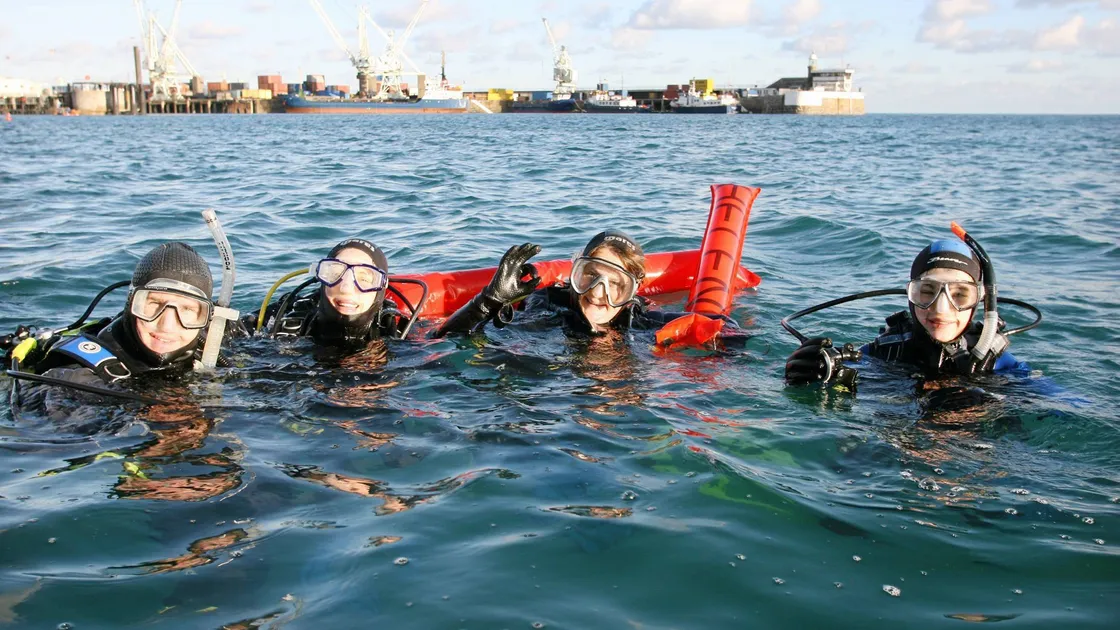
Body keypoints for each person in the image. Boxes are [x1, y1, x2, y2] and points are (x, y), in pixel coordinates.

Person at [10, 242, 218, 426]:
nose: (168, 325)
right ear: (131, 303)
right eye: (154, 304)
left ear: (206, 317)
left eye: (189, 310)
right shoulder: (76, 377)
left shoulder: (209, 338)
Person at [785, 238, 1028, 389]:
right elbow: (847, 382)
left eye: (960, 295)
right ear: (910, 295)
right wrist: (809, 373)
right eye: (927, 291)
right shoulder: (885, 352)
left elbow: (1060, 404)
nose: (941, 308)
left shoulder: (1000, 365)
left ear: (979, 302)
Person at [434, 230, 724, 338]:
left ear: (632, 291)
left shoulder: (639, 321)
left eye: (615, 284)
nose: (599, 292)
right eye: (590, 275)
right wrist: (489, 300)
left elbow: (725, 327)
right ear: (575, 274)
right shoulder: (546, 307)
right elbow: (446, 340)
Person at [254, 238, 406, 346]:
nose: (345, 288)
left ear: (381, 286)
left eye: (364, 279)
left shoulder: (400, 331)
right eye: (335, 274)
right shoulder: (292, 311)